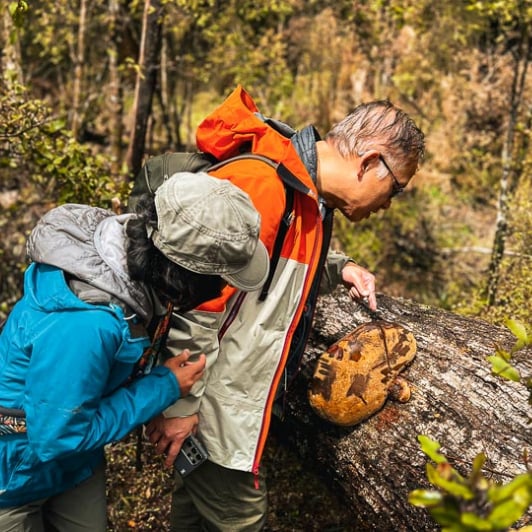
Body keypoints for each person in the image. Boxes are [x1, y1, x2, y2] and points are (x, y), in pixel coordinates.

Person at [142, 86, 426, 531]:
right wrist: (181, 407)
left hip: (226, 408)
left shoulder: (306, 194)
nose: (389, 203)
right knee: (241, 521)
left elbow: (277, 264)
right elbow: (196, 305)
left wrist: (339, 268)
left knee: (194, 516)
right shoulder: (268, 186)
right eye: (396, 188)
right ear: (370, 162)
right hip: (214, 407)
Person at [0, 172, 270, 531]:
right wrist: (164, 386)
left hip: (74, 463)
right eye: (221, 280)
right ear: (187, 276)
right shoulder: (88, 324)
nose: (224, 289)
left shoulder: (130, 260)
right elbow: (57, 438)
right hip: (16, 473)